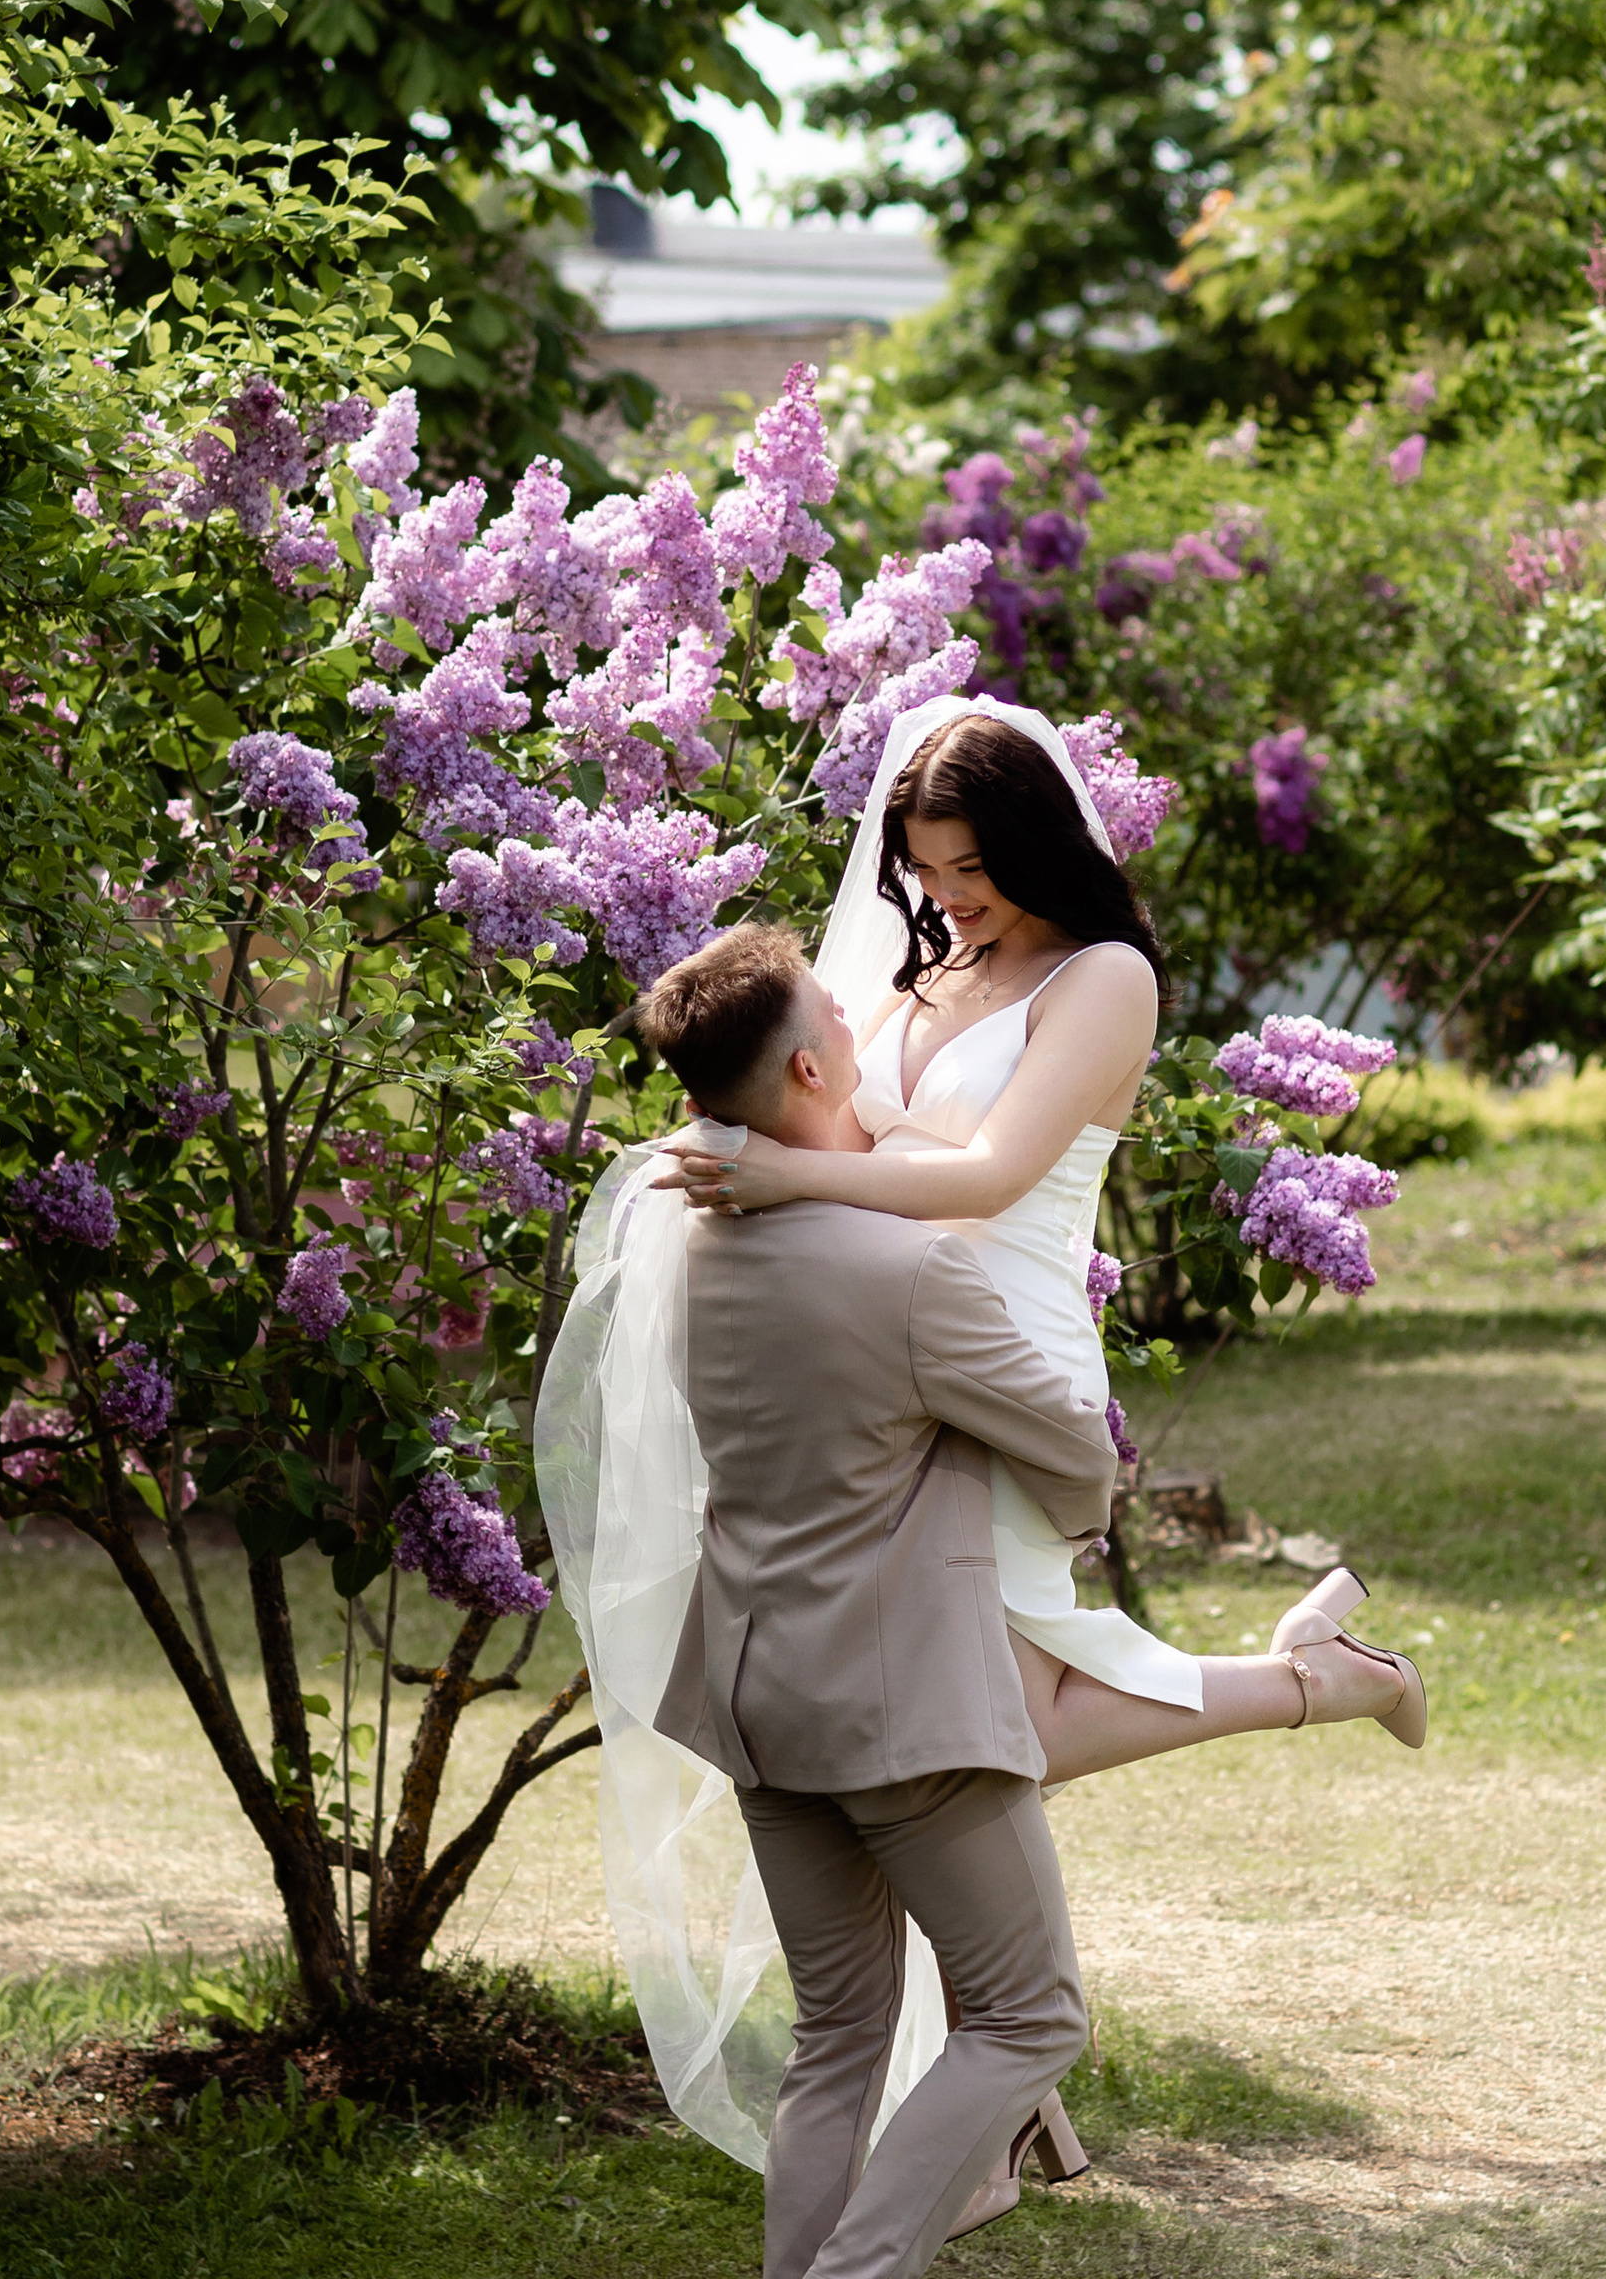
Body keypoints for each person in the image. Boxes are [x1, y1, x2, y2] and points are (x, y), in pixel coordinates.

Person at [535, 694, 1422, 2183]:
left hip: (993, 1342)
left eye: (968, 868)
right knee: (976, 1725)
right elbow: (833, 1118)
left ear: (1033, 843)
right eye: (924, 869)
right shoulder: (922, 971)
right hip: (890, 1345)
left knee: (989, 1733)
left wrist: (790, 1190)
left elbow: (991, 1173)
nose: (943, 899)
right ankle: (1013, 2080)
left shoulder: (1104, 980)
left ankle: (1304, 1692)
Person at [637, 925, 1113, 2279]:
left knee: (841, 2031)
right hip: (903, 1711)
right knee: (1029, 2011)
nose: (859, 1014)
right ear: (812, 1067)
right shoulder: (911, 1270)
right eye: (837, 1010)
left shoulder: (702, 1248)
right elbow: (1079, 1457)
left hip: (763, 1697)